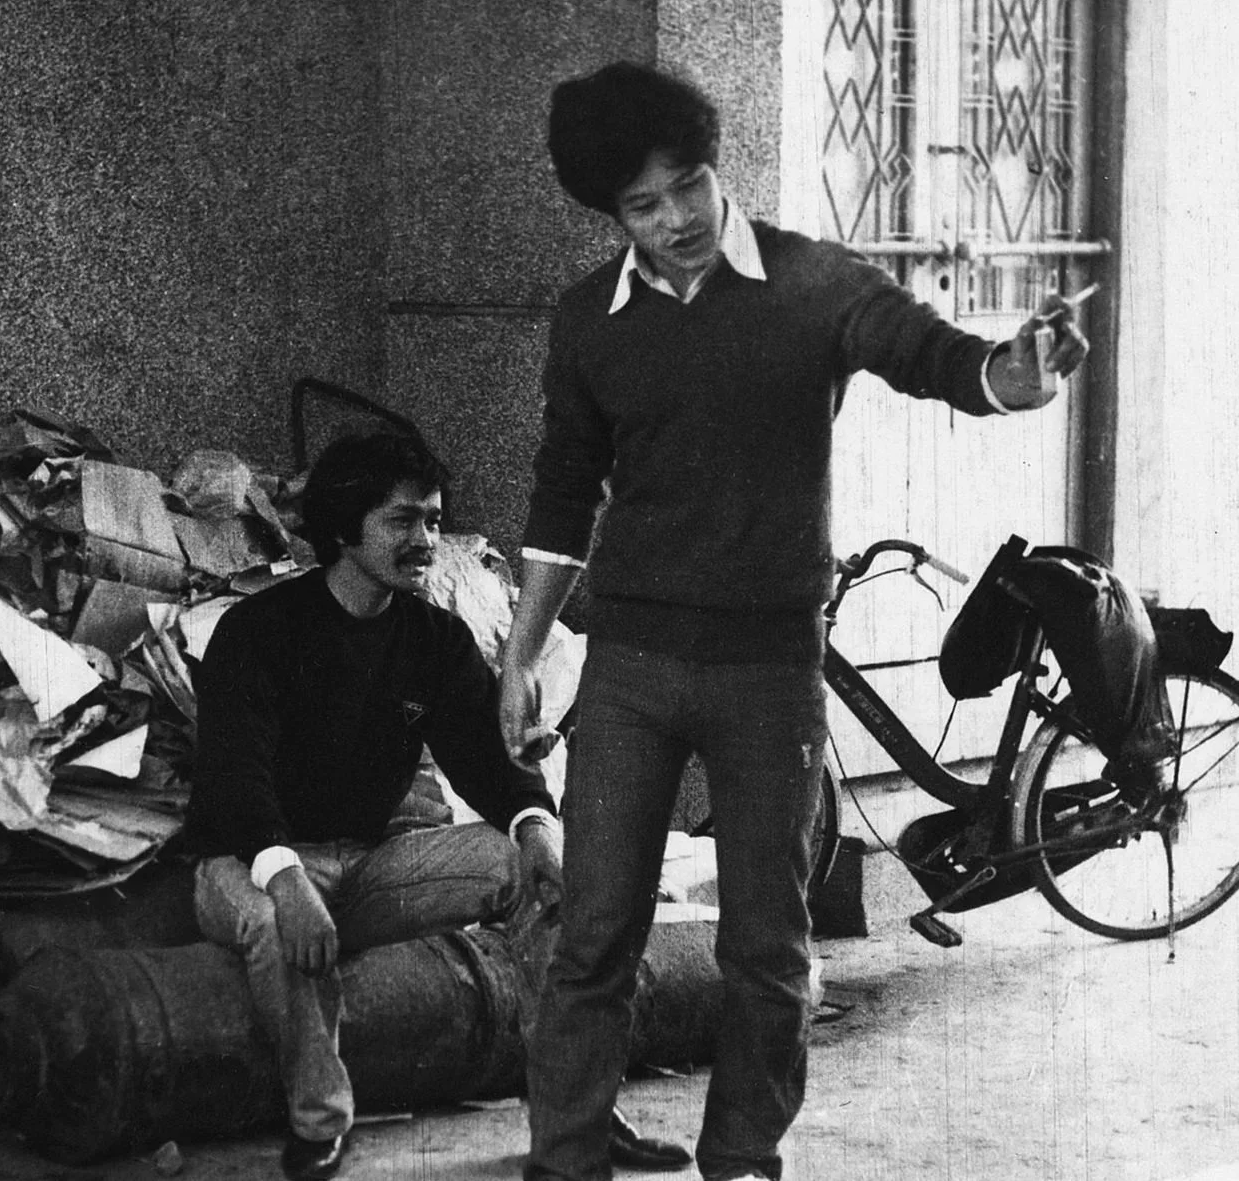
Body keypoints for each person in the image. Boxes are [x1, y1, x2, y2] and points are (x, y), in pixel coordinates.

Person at [501, 62, 1089, 1181]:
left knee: (768, 949)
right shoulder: (588, 322)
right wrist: (523, 651)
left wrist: (1014, 373)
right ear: (610, 214)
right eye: (642, 205)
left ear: (717, 164)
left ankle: (741, 1162)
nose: (675, 220)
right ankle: (566, 1158)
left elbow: (940, 357)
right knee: (593, 938)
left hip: (768, 671)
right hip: (625, 665)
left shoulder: (815, 284)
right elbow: (561, 491)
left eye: (689, 185)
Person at [179, 430, 677, 1181]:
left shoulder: (434, 639)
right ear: (344, 530)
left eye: (435, 521)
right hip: (248, 862)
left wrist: (539, 833)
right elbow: (232, 779)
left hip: (368, 860)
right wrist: (285, 881)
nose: (427, 541)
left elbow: (488, 761)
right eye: (403, 522)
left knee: (537, 869)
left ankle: (577, 1116)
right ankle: (320, 1125)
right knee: (276, 925)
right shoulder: (256, 632)